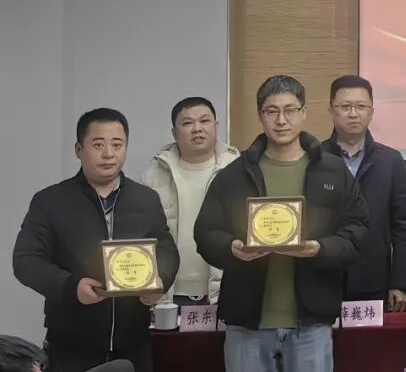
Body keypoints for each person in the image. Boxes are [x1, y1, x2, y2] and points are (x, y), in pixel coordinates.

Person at [194, 75, 369, 372]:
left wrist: (320, 248)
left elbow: (358, 231)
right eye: (272, 111)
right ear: (260, 115)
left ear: (304, 112)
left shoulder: (333, 171)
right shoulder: (234, 174)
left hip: (311, 324)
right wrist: (231, 247)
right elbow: (205, 233)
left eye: (290, 110)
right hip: (246, 323)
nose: (281, 120)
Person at [13, 109, 179, 372]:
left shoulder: (146, 199)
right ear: (79, 149)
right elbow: (26, 261)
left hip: (134, 343)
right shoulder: (50, 201)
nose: (109, 154)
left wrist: (160, 281)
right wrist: (71, 287)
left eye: (117, 145)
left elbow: (166, 248)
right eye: (98, 145)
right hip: (71, 344)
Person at [321, 75, 406, 310]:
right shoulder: (315, 159)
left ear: (371, 112)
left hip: (376, 280)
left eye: (361, 106)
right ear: (331, 110)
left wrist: (400, 283)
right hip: (323, 280)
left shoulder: (391, 161)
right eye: (345, 106)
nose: (354, 114)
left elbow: (404, 228)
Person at [142, 96, 239, 305]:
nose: (197, 128)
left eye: (204, 121)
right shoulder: (156, 173)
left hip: (225, 291)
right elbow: (145, 233)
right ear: (174, 132)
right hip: (171, 293)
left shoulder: (237, 170)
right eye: (187, 123)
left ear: (216, 126)